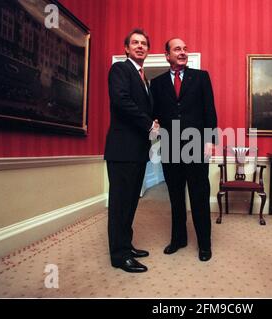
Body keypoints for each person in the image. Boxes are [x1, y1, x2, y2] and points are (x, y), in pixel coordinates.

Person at [150, 38, 218, 262]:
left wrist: (210, 140)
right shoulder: (157, 83)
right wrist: (154, 125)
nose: (182, 52)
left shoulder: (201, 77)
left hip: (196, 144)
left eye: (185, 49)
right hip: (170, 146)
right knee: (176, 196)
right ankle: (178, 239)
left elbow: (210, 110)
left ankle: (204, 244)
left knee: (199, 196)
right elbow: (153, 113)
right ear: (167, 55)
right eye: (177, 49)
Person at [104, 28, 159, 273]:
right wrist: (150, 123)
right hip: (122, 150)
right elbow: (121, 101)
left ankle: (126, 244)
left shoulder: (143, 78)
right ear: (126, 48)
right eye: (135, 43)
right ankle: (120, 256)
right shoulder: (119, 70)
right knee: (120, 204)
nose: (140, 46)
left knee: (130, 203)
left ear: (147, 49)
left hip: (138, 151)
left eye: (144, 43)